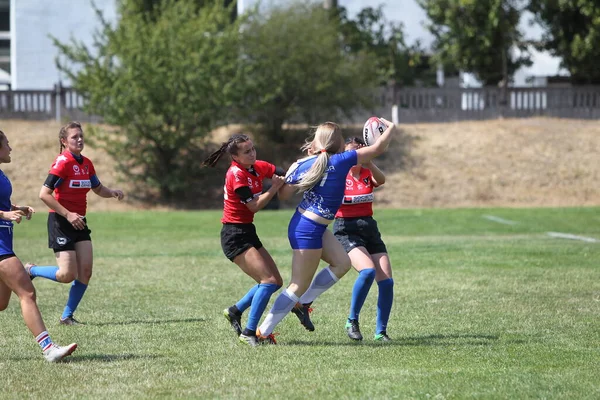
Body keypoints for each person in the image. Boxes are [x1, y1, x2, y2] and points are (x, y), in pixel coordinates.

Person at [256, 119, 397, 343]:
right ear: (339, 143)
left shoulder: (305, 163)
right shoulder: (342, 160)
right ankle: (262, 332)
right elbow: (378, 148)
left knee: (342, 263)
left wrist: (292, 174)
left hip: (310, 225)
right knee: (297, 285)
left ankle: (303, 304)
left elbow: (284, 197)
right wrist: (390, 128)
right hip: (308, 229)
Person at [26, 121, 124, 325]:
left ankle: (67, 316)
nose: (79, 139)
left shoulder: (87, 163)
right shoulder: (62, 163)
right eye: (74, 137)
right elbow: (44, 194)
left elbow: (97, 188)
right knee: (66, 274)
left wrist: (112, 192)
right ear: (64, 141)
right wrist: (68, 214)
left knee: (85, 271)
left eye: (81, 136)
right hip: (60, 221)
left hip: (79, 222)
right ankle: (31, 270)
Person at [0, 129, 77, 362]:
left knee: (1, 303)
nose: (10, 148)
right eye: (7, 144)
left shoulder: (0, 174)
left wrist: (16, 208)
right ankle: (49, 349)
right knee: (27, 292)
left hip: (4, 242)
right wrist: (4, 215)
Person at [201, 134, 286, 347]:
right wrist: (274, 188)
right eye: (247, 151)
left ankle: (235, 311)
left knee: (276, 282)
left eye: (253, 148)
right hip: (233, 235)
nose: (252, 153)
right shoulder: (235, 174)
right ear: (235, 156)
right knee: (268, 281)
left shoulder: (258, 167)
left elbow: (285, 174)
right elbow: (253, 206)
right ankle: (249, 333)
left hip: (247, 230)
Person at [333, 136, 393, 342]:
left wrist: (368, 160)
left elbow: (381, 180)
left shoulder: (368, 173)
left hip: (369, 227)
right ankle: (352, 320)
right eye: (352, 151)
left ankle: (380, 332)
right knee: (367, 272)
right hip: (345, 229)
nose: (357, 154)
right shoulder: (339, 175)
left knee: (386, 281)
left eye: (360, 150)